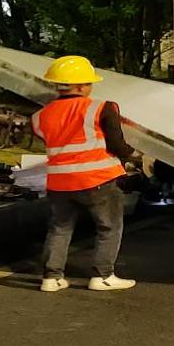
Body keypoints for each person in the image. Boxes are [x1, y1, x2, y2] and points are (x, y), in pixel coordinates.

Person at [32, 55, 138, 293]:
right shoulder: (101, 107)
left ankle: (52, 278)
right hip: (97, 180)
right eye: (89, 82)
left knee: (60, 227)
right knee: (109, 227)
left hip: (59, 183)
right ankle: (103, 276)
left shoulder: (41, 116)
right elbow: (116, 144)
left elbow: (49, 139)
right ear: (80, 85)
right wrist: (135, 155)